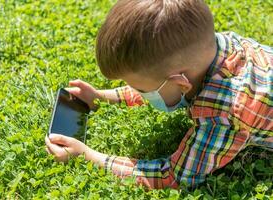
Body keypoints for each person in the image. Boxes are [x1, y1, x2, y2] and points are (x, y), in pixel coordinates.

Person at [45, 0, 273, 189]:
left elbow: (174, 177)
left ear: (181, 84)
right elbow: (158, 85)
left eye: (141, 90)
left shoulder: (222, 115)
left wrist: (88, 156)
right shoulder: (217, 47)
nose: (140, 93)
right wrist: (101, 95)